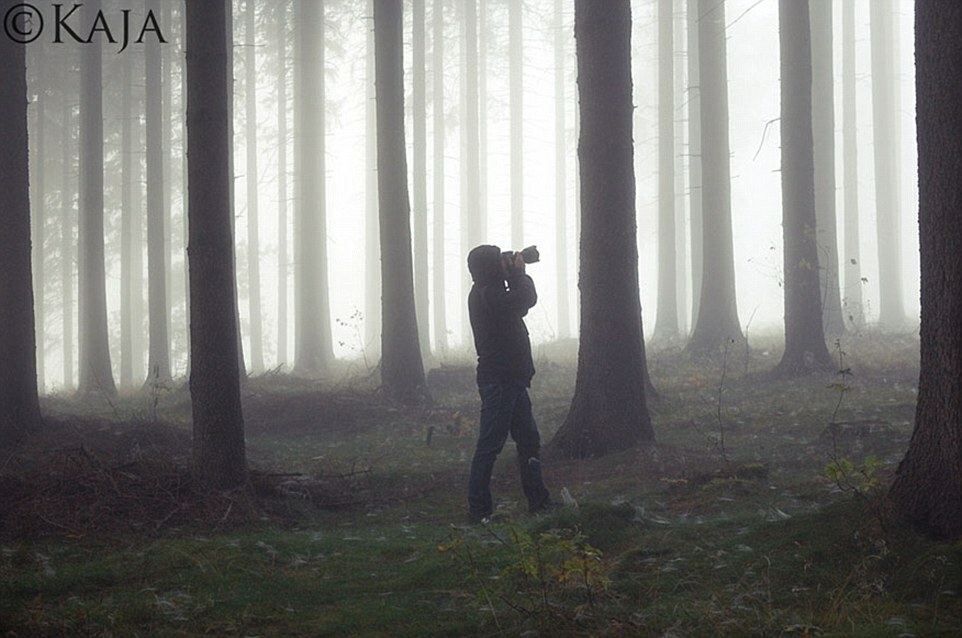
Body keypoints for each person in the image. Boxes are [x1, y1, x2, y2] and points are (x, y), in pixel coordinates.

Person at [466, 244, 552, 523]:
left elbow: (519, 306)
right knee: (490, 446)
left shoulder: (490, 293)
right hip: (500, 380)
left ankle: (539, 502)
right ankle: (479, 511)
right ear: (490, 267)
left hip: (511, 379)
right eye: (499, 259)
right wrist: (519, 273)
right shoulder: (486, 295)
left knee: (529, 442)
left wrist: (513, 273)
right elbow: (526, 298)